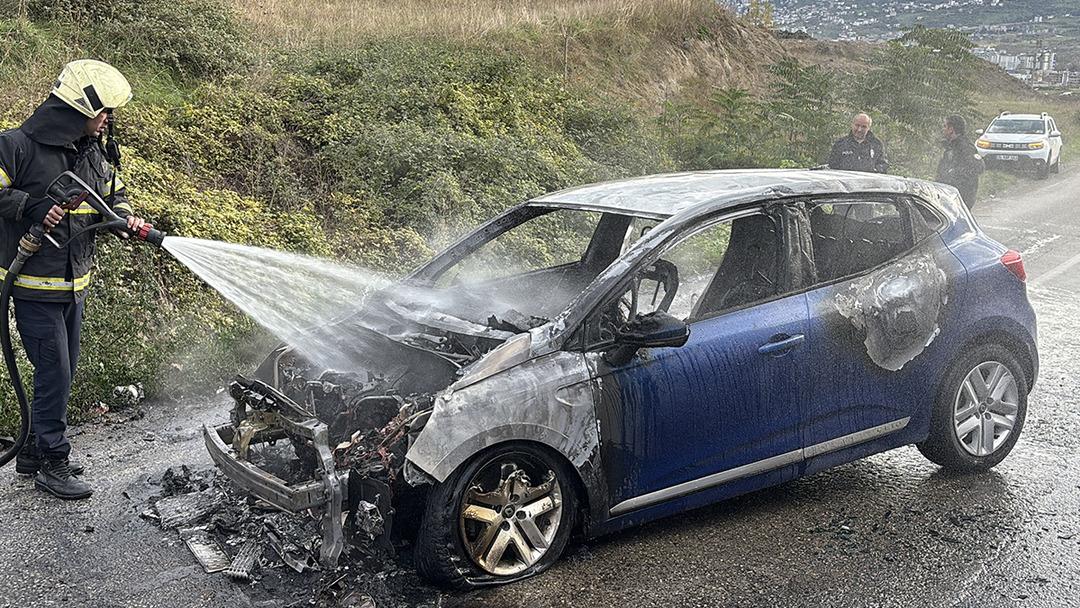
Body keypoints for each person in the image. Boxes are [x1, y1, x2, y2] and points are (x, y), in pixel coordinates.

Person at [0, 60, 147, 500]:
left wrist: (124, 219)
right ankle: (53, 462)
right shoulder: (16, 146)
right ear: (77, 108)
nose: (107, 120)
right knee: (55, 372)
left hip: (74, 285)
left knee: (61, 373)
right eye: (103, 111)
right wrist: (30, 206)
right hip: (33, 285)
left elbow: (114, 196)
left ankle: (32, 453)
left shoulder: (93, 153)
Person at [936, 114, 985, 210]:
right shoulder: (951, 146)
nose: (943, 129)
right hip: (949, 193)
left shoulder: (965, 147)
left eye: (945, 126)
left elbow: (979, 167)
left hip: (961, 196)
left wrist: (953, 174)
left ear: (951, 129)